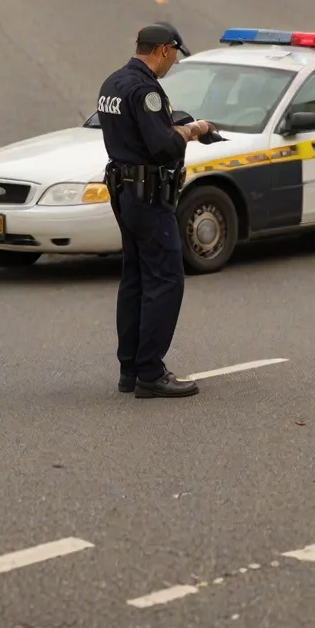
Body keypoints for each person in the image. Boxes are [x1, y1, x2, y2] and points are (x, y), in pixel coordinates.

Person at [96, 22, 215, 400]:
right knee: (165, 279)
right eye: (174, 56)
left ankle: (129, 369)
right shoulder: (146, 89)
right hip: (149, 197)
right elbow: (162, 146)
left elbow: (131, 134)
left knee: (135, 279)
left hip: (124, 193)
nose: (173, 64)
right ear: (163, 49)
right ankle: (151, 372)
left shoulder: (112, 84)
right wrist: (192, 129)